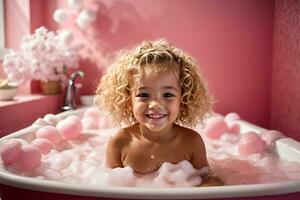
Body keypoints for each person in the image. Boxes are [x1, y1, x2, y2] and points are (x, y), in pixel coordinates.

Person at [95, 39, 222, 186]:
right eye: (143, 95)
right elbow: (107, 187)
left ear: (184, 100)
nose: (155, 104)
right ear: (128, 101)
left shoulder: (191, 142)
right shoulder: (120, 142)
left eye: (168, 95)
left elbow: (208, 181)